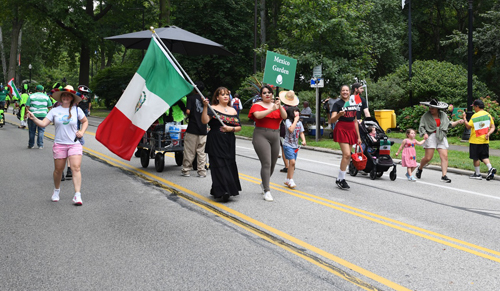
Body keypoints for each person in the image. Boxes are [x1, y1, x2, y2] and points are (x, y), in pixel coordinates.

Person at [26, 85, 88, 205]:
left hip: (74, 143)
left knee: (76, 168)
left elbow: (85, 121)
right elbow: (43, 123)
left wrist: (81, 132)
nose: (65, 97)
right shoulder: (54, 111)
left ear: (72, 98)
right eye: (63, 95)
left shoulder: (77, 110)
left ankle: (77, 195)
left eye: (68, 95)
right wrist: (33, 118)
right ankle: (56, 190)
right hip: (60, 144)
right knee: (58, 170)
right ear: (60, 97)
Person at [201, 87, 242, 201]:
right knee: (218, 165)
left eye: (227, 94)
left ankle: (218, 188)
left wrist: (230, 129)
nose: (225, 96)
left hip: (229, 140)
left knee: (228, 164)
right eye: (222, 94)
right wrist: (205, 107)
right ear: (217, 97)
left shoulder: (233, 110)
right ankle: (223, 191)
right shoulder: (212, 108)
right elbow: (204, 121)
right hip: (215, 140)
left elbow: (239, 127)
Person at [248, 85, 287, 201]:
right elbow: (258, 115)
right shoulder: (257, 105)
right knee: (266, 163)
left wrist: (279, 107)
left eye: (269, 92)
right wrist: (272, 109)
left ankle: (264, 182)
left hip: (276, 135)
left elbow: (284, 116)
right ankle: (267, 190)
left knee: (273, 164)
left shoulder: (277, 106)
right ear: (261, 95)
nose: (267, 94)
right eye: (264, 93)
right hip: (261, 134)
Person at [416, 99, 464, 183]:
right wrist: (424, 134)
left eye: (433, 108)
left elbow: (448, 124)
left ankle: (444, 175)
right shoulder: (426, 116)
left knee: (444, 156)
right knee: (428, 158)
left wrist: (458, 122)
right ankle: (420, 168)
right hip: (431, 136)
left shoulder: (443, 115)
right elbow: (421, 126)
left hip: (441, 136)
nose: (431, 109)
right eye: (430, 108)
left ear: (437, 109)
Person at [330, 85, 361, 190]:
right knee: (347, 154)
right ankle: (342, 179)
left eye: (347, 90)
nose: (345, 92)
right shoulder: (337, 104)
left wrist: (358, 136)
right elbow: (332, 120)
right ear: (340, 92)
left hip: (351, 129)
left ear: (349, 92)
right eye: (343, 90)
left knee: (347, 157)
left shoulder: (354, 102)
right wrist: (339, 114)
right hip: (342, 128)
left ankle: (339, 178)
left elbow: (355, 120)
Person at [463, 99, 497, 180]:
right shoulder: (488, 115)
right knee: (484, 156)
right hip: (485, 140)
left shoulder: (475, 115)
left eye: (474, 107)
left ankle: (477, 174)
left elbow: (468, 126)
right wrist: (488, 133)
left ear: (477, 106)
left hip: (475, 140)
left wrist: (464, 118)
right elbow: (493, 127)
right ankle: (490, 168)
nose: (474, 108)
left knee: (476, 157)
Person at [181, 81, 208, 177]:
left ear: (194, 89)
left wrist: (183, 108)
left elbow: (188, 111)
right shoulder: (206, 100)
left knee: (189, 151)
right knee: (201, 152)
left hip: (192, 128)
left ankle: (186, 170)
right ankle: (201, 171)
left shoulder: (191, 98)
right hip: (203, 129)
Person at [283, 106, 306, 189]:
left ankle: (287, 179)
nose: (297, 113)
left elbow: (301, 132)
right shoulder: (288, 121)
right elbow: (291, 130)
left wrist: (303, 140)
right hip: (288, 145)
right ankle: (291, 180)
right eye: (295, 112)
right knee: (292, 162)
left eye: (297, 111)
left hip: (295, 146)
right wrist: (295, 121)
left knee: (291, 164)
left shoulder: (300, 123)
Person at [278, 90, 300, 173]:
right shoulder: (296, 108)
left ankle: (287, 166)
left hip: (285, 128)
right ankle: (292, 163)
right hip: (295, 128)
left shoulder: (283, 108)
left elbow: (280, 119)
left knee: (284, 147)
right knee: (293, 145)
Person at [26, 85, 53, 149]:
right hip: (43, 115)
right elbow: (50, 107)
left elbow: (27, 106)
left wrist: (26, 114)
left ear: (36, 90)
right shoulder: (46, 97)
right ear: (43, 90)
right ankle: (40, 145)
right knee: (41, 130)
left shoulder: (31, 96)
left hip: (33, 115)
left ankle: (31, 144)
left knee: (32, 130)